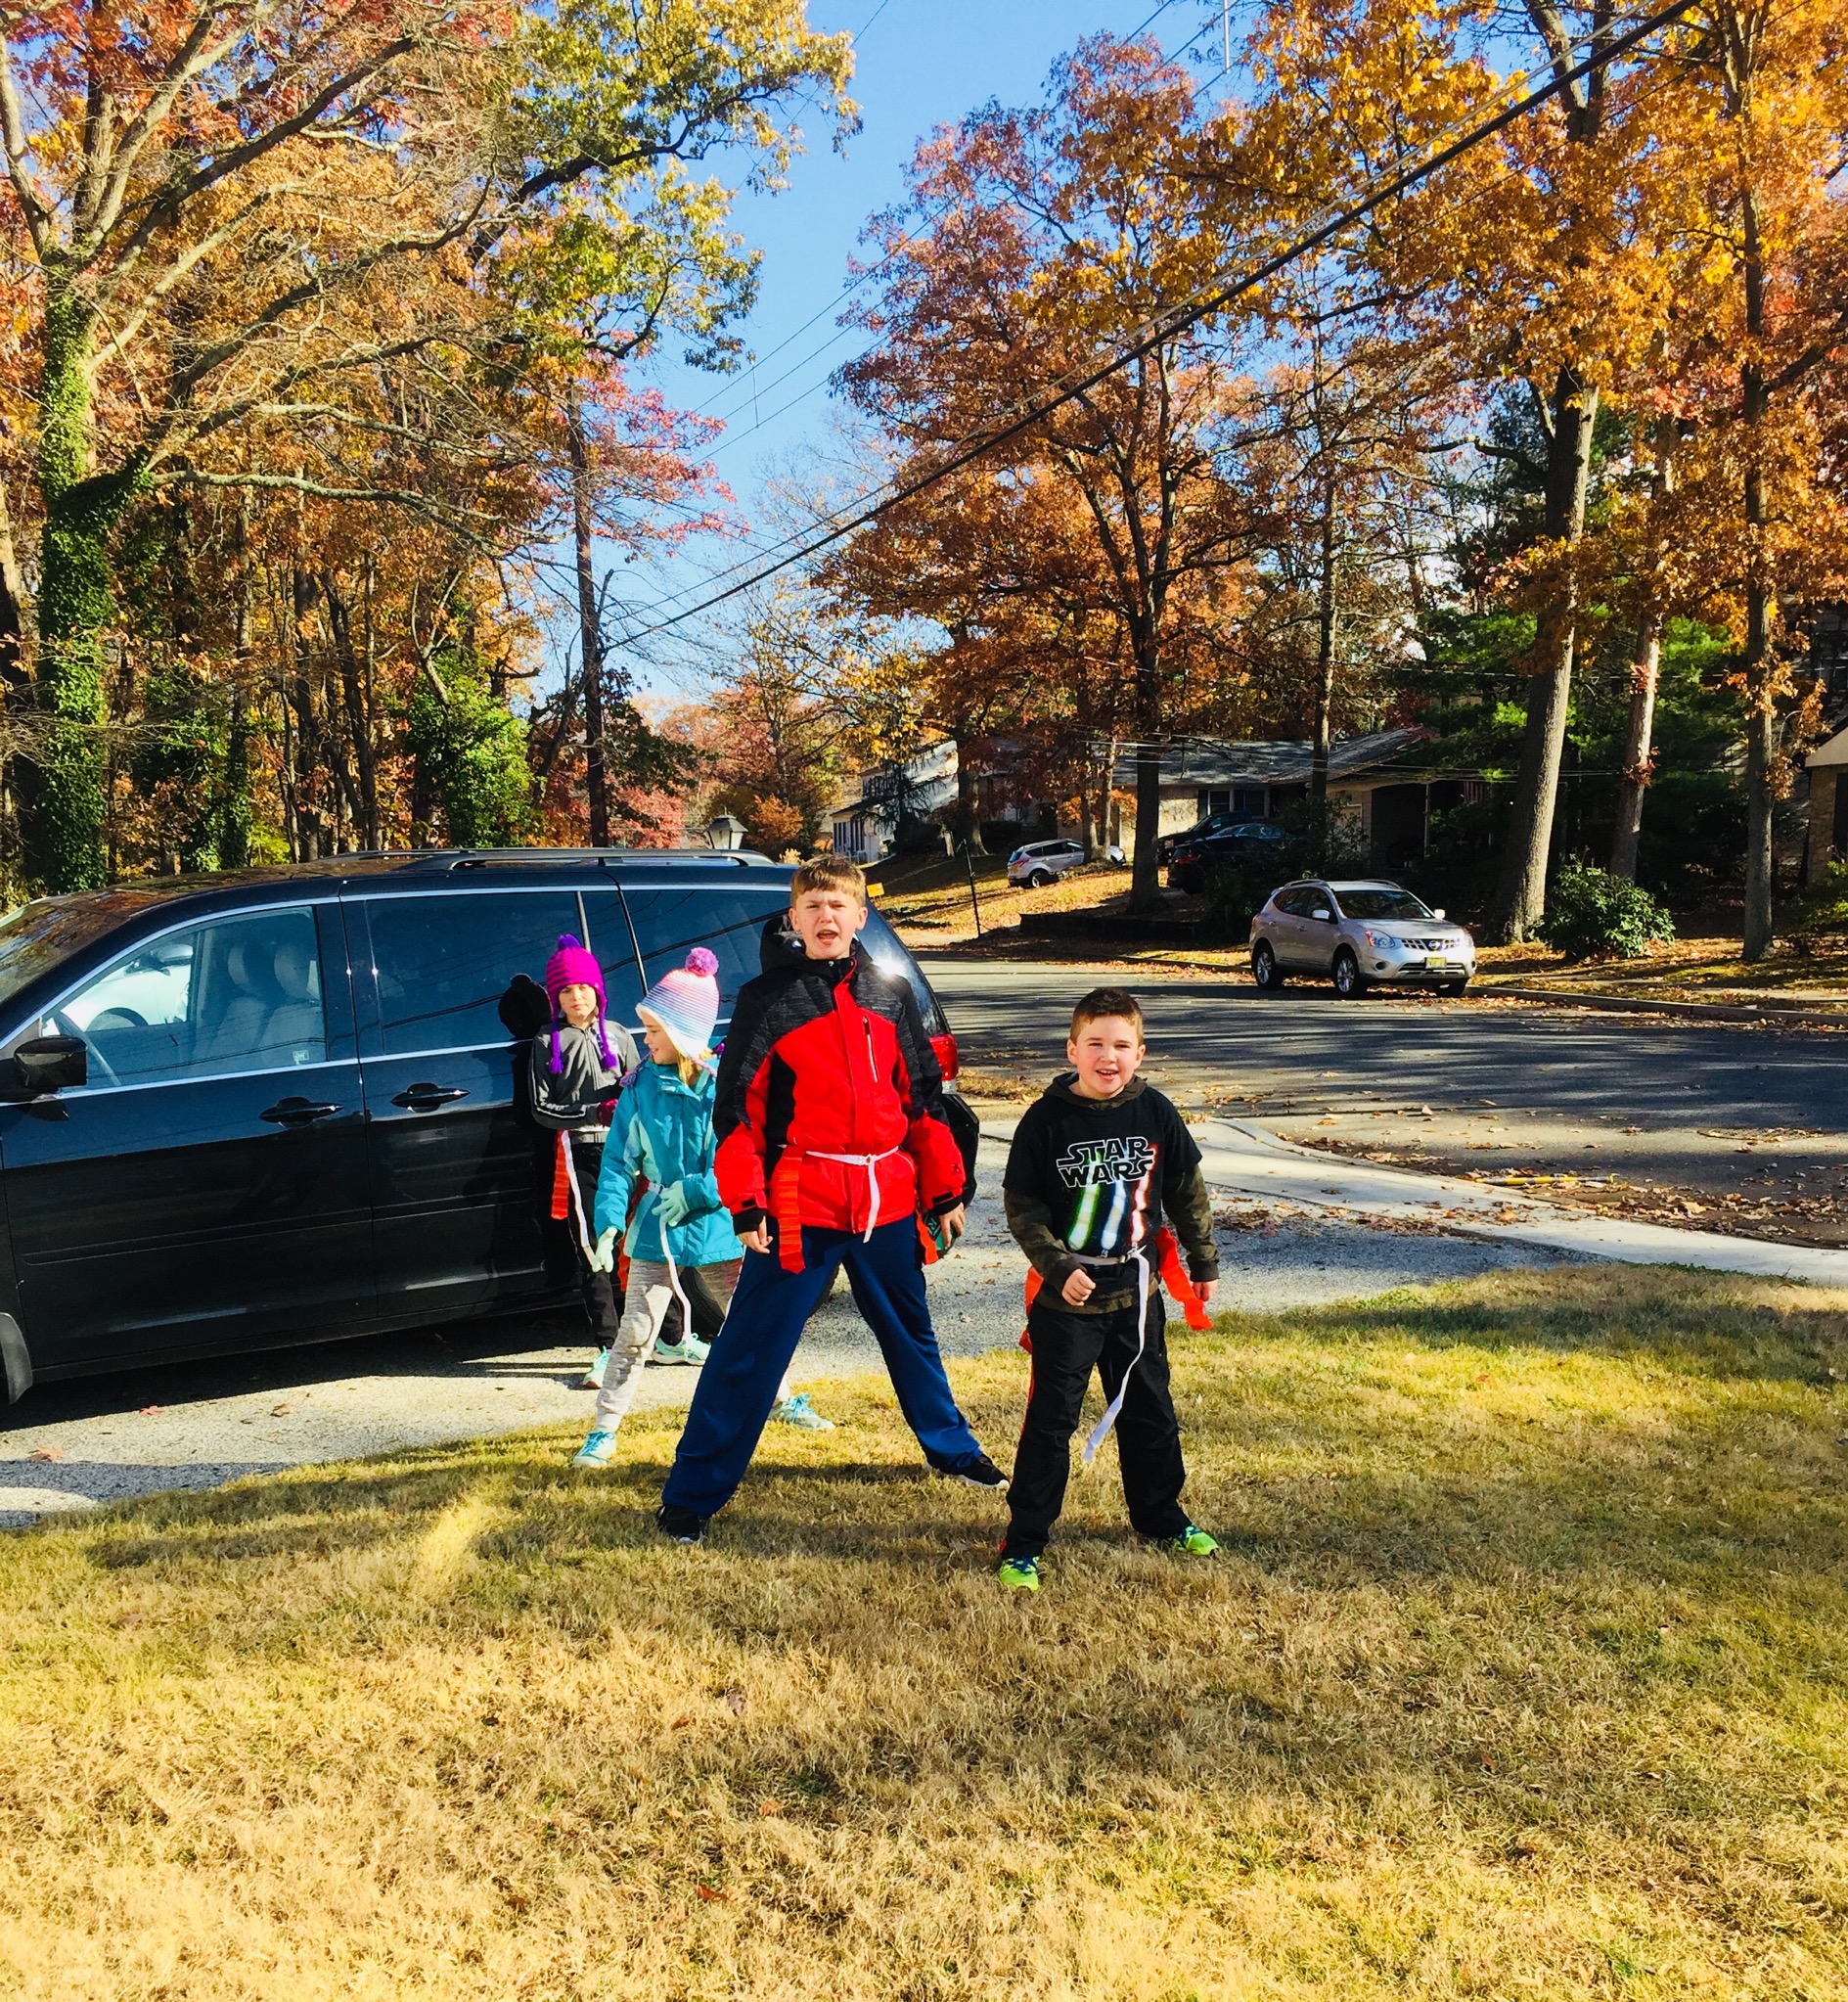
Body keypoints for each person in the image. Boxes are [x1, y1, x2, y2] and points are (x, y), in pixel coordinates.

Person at [655, 853, 1006, 1543]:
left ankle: (952, 1448)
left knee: (911, 1334)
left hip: (886, 1204)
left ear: (859, 916)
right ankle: (692, 1494)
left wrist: (944, 1190)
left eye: (838, 905)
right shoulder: (765, 1001)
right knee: (749, 1350)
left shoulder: (889, 993)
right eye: (812, 906)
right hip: (800, 1207)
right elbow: (738, 1117)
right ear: (794, 917)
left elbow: (922, 1099)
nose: (825, 917)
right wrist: (747, 1203)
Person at [995, 986, 1220, 1593]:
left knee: (1151, 1409)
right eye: (1094, 1043)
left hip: (1137, 1291)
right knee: (1052, 1421)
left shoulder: (1156, 1112)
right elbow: (1023, 1208)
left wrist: (1202, 1259)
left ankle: (1161, 1515)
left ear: (1139, 1053)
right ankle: (1024, 1541)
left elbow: (1186, 1192)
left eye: (1121, 1045)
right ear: (1072, 1049)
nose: (1108, 1057)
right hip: (1067, 1298)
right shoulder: (1045, 1120)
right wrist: (1056, 1265)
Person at [573, 950, 834, 1467]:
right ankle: (604, 1430)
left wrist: (696, 1192)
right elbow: (618, 1163)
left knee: (751, 1321)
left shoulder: (723, 1088)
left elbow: (741, 1155)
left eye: (654, 1031)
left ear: (683, 1034)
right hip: (658, 1231)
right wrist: (608, 1223)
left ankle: (782, 1400)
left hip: (720, 1226)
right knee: (634, 1335)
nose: (645, 1040)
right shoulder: (639, 1090)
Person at [524, 934, 637, 1365]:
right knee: (592, 1246)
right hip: (578, 1156)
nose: (577, 998)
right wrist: (590, 1111)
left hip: (625, 1155)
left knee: (638, 1240)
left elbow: (640, 1091)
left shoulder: (619, 1034)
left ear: (597, 991)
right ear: (555, 997)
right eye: (566, 990)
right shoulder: (546, 1042)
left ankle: (665, 1333)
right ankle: (610, 1343)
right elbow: (540, 1108)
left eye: (584, 988)